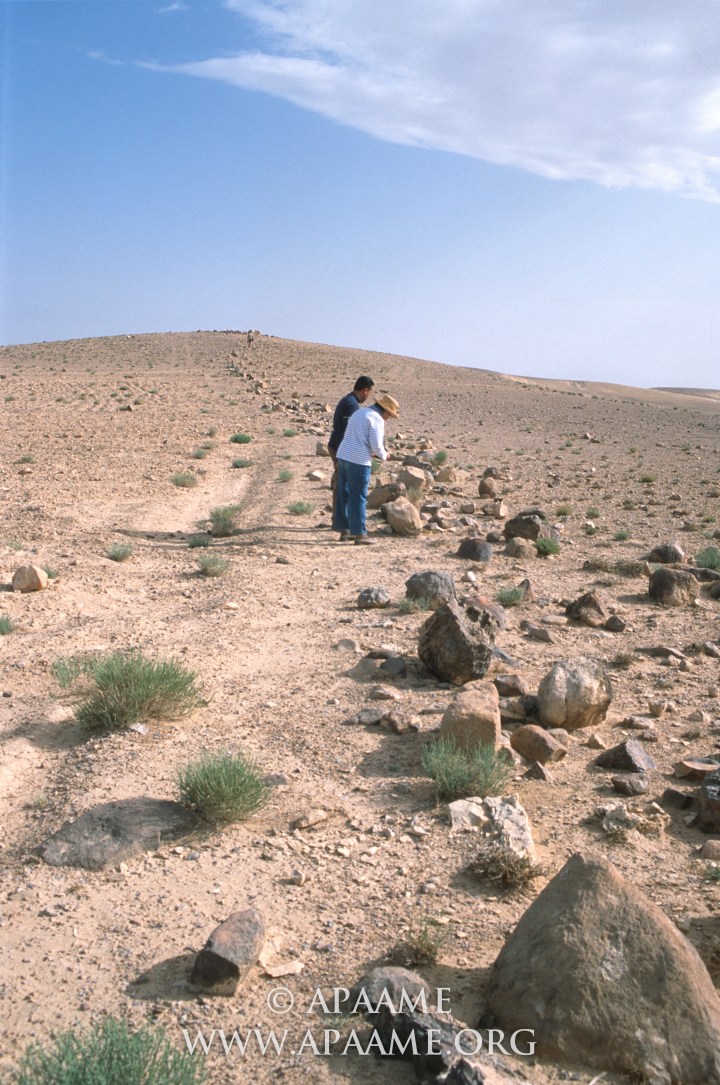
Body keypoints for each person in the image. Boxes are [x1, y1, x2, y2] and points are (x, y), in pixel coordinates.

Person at [333, 392, 400, 545]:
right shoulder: (376, 419)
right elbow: (376, 444)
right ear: (385, 410)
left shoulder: (360, 412)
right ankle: (360, 534)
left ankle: (346, 530)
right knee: (359, 496)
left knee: (344, 493)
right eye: (389, 414)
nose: (388, 418)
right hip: (359, 460)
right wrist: (384, 455)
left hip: (343, 455)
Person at [327, 376, 375, 462]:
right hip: (341, 449)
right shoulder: (352, 405)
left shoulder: (348, 400)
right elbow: (348, 430)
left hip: (336, 446)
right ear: (365, 391)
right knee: (343, 474)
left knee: (341, 474)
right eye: (369, 393)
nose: (368, 396)